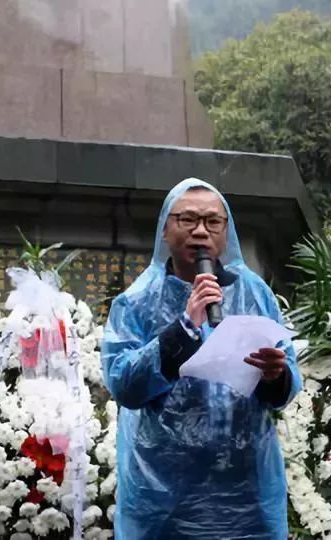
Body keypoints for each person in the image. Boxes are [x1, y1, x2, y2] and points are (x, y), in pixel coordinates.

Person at [101, 178, 303, 539]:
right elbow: (123, 384)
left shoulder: (254, 292)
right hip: (164, 497)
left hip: (246, 493)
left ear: (227, 233)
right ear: (165, 230)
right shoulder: (136, 301)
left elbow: (287, 380)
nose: (200, 231)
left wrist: (276, 374)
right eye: (187, 220)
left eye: (213, 222)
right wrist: (182, 328)